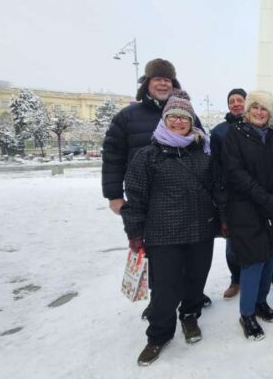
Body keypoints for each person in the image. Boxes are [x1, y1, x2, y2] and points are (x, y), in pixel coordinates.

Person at [102, 59, 211, 319]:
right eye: (157, 79)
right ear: (147, 83)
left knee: (189, 255)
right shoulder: (128, 116)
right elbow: (113, 156)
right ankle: (159, 301)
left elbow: (200, 149)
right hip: (148, 197)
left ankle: (190, 296)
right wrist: (114, 194)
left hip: (184, 198)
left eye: (167, 80)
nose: (163, 84)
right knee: (158, 255)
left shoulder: (188, 113)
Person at [120, 91, 224, 366]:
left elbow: (218, 189)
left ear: (191, 121)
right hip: (163, 234)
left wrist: (224, 219)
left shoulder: (204, 152)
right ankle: (158, 335)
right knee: (165, 289)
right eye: (173, 117)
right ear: (165, 120)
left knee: (196, 280)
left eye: (184, 117)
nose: (178, 121)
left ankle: (189, 316)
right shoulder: (147, 156)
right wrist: (135, 233)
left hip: (201, 230)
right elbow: (135, 197)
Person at [222, 91, 273, 341]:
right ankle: (247, 313)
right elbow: (234, 171)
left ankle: (260, 302)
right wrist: (263, 197)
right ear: (247, 110)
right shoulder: (235, 135)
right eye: (254, 107)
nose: (259, 112)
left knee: (269, 256)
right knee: (253, 260)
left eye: (264, 108)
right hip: (246, 207)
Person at [211, 88, 247, 300]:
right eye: (231, 101)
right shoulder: (219, 132)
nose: (236, 104)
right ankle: (236, 279)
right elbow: (215, 165)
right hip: (230, 193)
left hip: (255, 190)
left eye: (239, 100)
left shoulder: (257, 124)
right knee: (232, 242)